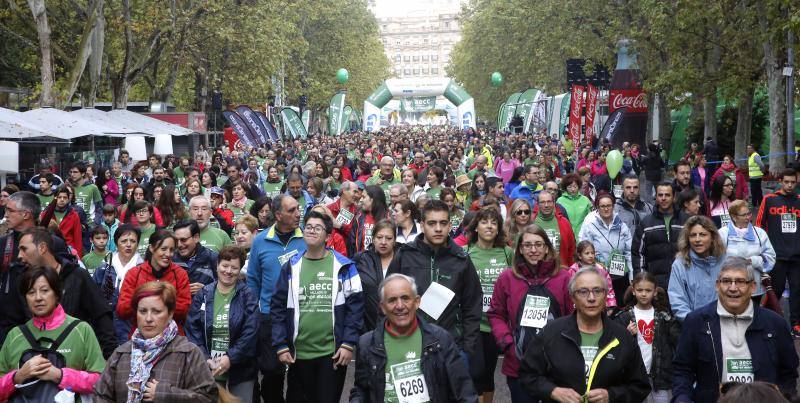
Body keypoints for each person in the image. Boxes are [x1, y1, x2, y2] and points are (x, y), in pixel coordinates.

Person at [671, 257, 798, 402]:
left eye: (740, 281)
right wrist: (682, 399)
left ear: (753, 287)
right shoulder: (697, 321)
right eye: (726, 281)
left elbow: (788, 374)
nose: (732, 288)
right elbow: (682, 371)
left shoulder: (775, 324)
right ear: (717, 285)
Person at [518, 267, 651, 403]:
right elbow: (527, 374)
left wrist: (611, 395)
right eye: (583, 292)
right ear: (572, 297)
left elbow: (640, 386)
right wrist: (553, 391)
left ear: (606, 295)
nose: (591, 298)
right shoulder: (552, 332)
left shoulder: (622, 337)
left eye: (597, 291)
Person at [271, 211, 363, 403]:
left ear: (328, 237)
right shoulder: (291, 266)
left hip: (332, 355)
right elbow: (278, 307)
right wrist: (280, 345)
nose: (312, 231)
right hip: (298, 355)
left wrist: (348, 343)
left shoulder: (344, 266)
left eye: (318, 228)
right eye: (309, 227)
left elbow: (356, 308)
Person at [350, 274, 478, 402]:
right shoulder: (367, 343)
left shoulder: (440, 339)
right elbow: (361, 390)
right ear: (383, 307)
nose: (400, 306)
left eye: (405, 298)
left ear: (417, 302)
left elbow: (464, 392)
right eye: (392, 300)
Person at [487, 224, 574, 402]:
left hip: (557, 363)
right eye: (527, 245)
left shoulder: (564, 278)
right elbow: (496, 314)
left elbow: (573, 314)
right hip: (519, 363)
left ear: (547, 247)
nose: (533, 250)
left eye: (538, 244)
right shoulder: (507, 278)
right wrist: (508, 344)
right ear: (520, 248)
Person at [387, 200, 483, 357]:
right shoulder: (405, 256)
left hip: (451, 347)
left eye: (443, 223)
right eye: (432, 223)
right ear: (422, 225)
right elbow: (387, 300)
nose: (438, 229)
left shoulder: (461, 260)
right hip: (409, 345)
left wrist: (467, 348)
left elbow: (472, 306)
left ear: (450, 225)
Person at [94, 281, 218, 402]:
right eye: (142, 311)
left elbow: (208, 397)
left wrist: (165, 394)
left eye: (156, 311)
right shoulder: (122, 354)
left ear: (170, 314)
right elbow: (101, 394)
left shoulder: (188, 353)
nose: (148, 318)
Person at [0, 267, 105, 401]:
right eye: (31, 292)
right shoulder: (15, 336)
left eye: (45, 291)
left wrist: (60, 376)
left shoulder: (81, 330)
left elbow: (101, 381)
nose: (38, 298)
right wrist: (18, 376)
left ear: (57, 294)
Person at [17, 227, 118, 358]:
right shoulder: (20, 280)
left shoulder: (77, 276)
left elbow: (101, 317)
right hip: (32, 360)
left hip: (75, 361)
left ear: (42, 248)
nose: (19, 255)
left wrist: (111, 359)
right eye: (32, 292)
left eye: (24, 249)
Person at [247, 194, 306, 403]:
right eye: (292, 210)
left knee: (300, 370)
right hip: (269, 316)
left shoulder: (306, 238)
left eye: (298, 208)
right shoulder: (261, 241)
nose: (298, 213)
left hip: (302, 315)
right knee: (272, 370)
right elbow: (253, 279)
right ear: (278, 215)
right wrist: (255, 311)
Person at [186, 246, 259, 402]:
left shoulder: (248, 296)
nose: (228, 271)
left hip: (241, 367)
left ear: (240, 270)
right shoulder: (203, 294)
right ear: (217, 265)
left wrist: (230, 358)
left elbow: (251, 332)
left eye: (234, 268)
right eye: (225, 266)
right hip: (209, 366)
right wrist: (204, 358)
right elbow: (193, 329)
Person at [464, 207, 512, 401]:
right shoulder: (465, 252)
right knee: (475, 371)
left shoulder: (508, 252)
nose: (489, 226)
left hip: (496, 324)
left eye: (494, 222)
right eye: (484, 222)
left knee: (488, 373)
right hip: (474, 324)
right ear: (476, 227)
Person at [612, 272, 680, 403]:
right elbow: (613, 345)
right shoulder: (624, 316)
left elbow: (677, 341)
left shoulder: (664, 316)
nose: (643, 294)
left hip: (660, 376)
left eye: (648, 290)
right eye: (640, 290)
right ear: (633, 291)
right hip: (634, 376)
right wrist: (626, 334)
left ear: (655, 292)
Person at [116, 230, 192, 334]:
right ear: (151, 248)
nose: (168, 254)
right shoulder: (134, 273)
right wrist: (153, 302)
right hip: (141, 336)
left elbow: (184, 310)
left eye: (171, 250)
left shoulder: (180, 274)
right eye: (163, 249)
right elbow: (122, 310)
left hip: (173, 337)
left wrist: (148, 304)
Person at [755, 168, 800, 335]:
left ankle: (796, 324)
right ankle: (770, 322)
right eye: (786, 182)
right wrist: (761, 251)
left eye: (792, 182)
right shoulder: (769, 199)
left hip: (797, 256)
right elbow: (758, 226)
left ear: (797, 182)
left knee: (797, 290)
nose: (789, 185)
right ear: (780, 181)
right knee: (775, 290)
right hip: (776, 256)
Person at [92, 224, 144, 344]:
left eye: (133, 241)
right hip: (106, 325)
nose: (128, 244)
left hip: (132, 326)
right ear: (116, 243)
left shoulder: (142, 268)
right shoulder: (105, 266)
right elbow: (94, 293)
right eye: (124, 241)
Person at [668, 215, 727, 321]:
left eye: (703, 235)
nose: (697, 239)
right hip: (693, 327)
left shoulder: (724, 261)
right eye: (693, 235)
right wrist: (694, 323)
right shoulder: (680, 264)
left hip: (723, 324)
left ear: (712, 237)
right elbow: (677, 300)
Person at [579, 193, 633, 306]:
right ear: (597, 208)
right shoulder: (590, 227)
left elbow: (629, 252)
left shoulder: (622, 226)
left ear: (613, 206)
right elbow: (584, 252)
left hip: (621, 276)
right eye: (602, 206)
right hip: (599, 276)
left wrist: (632, 276)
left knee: (620, 307)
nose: (606, 208)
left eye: (609, 205)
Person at [719, 200, 776, 305]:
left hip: (754, 289)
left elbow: (770, 257)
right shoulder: (723, 234)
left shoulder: (760, 233)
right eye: (744, 215)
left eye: (749, 213)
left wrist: (752, 261)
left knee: (753, 317)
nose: (748, 217)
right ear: (734, 217)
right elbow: (716, 261)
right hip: (731, 289)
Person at [632, 182, 685, 291]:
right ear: (655, 197)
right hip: (655, 284)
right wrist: (642, 281)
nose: (663, 198)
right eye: (660, 195)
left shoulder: (686, 221)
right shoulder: (646, 223)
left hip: (683, 281)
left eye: (667, 195)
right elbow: (638, 254)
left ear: (674, 197)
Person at [353, 219, 397, 333]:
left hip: (398, 326)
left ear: (395, 240)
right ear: (373, 239)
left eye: (388, 238)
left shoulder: (404, 259)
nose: (383, 242)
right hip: (368, 327)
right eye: (379, 237)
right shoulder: (361, 259)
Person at [568, 241, 617, 310]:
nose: (590, 256)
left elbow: (609, 288)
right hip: (579, 307)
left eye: (592, 253)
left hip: (599, 306)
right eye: (587, 253)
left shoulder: (601, 269)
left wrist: (610, 305)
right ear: (579, 256)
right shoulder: (573, 270)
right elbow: (570, 291)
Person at [531, 190, 576, 267]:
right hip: (536, 271)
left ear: (554, 203)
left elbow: (572, 249)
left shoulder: (564, 222)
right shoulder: (531, 222)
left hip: (560, 270)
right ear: (537, 204)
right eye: (542, 202)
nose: (546, 205)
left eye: (549, 202)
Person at [40, 187, 83, 256]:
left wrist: (79, 257)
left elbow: (78, 238)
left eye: (65, 197)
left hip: (68, 250)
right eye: (59, 197)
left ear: (68, 199)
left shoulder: (74, 215)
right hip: (50, 249)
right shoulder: (45, 214)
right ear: (55, 198)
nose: (62, 200)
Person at [348, 185, 389, 256]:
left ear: (373, 199)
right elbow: (352, 245)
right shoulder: (358, 218)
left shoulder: (389, 218)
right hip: (361, 262)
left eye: (364, 197)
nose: (361, 200)